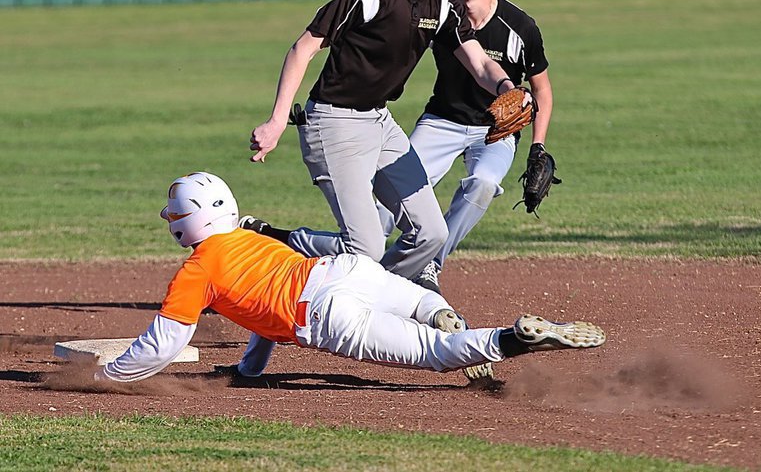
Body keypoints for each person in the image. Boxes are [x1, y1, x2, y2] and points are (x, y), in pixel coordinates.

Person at [248, 0, 528, 289]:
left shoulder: (441, 1)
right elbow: (304, 48)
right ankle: (273, 255)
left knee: (431, 234)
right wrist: (278, 120)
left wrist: (508, 89)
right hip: (332, 123)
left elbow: (480, 63)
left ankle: (382, 295)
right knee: (365, 247)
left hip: (379, 122)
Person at [97, 172, 605, 383]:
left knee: (437, 354)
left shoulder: (195, 272)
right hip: (346, 270)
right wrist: (248, 370)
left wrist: (109, 376)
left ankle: (510, 339)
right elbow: (259, 316)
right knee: (423, 308)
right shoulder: (251, 241)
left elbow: (162, 346)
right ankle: (438, 310)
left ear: (187, 221)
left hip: (322, 313)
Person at [376, 0, 555, 293]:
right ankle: (361, 261)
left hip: (495, 131)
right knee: (389, 194)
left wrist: (537, 147)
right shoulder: (441, 13)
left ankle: (429, 264)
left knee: (483, 185)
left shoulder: (520, 27)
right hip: (442, 120)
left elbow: (542, 90)